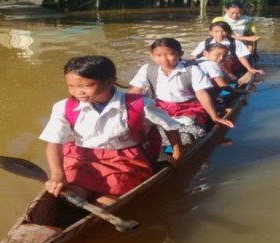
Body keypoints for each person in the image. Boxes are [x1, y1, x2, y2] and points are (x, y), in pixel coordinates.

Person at [40, 55, 183, 206]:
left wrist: (177, 151)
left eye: (86, 85)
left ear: (110, 81)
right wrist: (57, 175)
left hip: (124, 161)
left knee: (104, 202)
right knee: (70, 197)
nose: (78, 92)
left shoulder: (139, 104)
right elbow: (54, 142)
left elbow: (170, 125)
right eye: (71, 86)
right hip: (83, 158)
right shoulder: (63, 107)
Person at [129, 38, 234, 131]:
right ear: (152, 56)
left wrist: (214, 116)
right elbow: (136, 91)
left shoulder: (193, 69)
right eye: (158, 55)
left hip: (188, 108)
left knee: (187, 130)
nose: (164, 59)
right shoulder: (147, 69)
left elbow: (202, 94)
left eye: (170, 54)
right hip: (160, 107)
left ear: (180, 54)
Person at [190, 20, 264, 78]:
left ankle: (230, 75)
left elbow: (241, 57)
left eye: (223, 31)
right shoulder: (205, 43)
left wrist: (249, 68)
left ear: (228, 32)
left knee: (224, 61)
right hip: (211, 63)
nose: (220, 34)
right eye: (216, 31)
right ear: (211, 33)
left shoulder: (235, 43)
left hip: (230, 64)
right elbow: (194, 56)